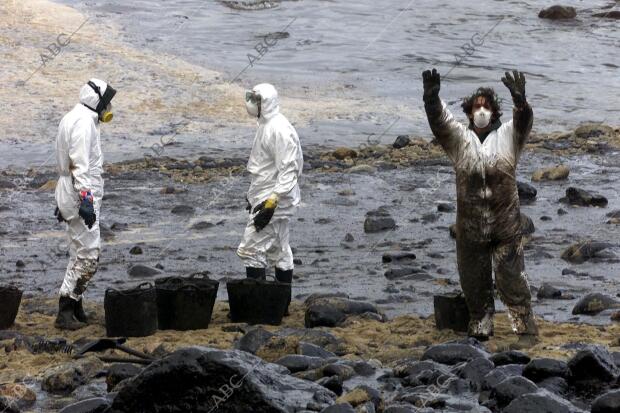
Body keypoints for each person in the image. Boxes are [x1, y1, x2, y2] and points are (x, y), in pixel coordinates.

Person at [422, 68, 539, 348]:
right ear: (470, 112)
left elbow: (524, 122)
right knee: (474, 285)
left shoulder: (510, 136)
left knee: (513, 282)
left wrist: (521, 102)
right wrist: (431, 99)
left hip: (506, 227)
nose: (482, 110)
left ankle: (525, 331)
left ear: (495, 112)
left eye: (487, 106)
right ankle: (481, 330)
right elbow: (440, 122)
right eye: (477, 106)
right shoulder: (459, 140)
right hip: (471, 229)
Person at [54, 79, 116, 330]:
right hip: (80, 194)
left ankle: (75, 305)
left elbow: (66, 163)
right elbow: (78, 166)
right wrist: (86, 201)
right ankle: (65, 310)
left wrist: (66, 199)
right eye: (106, 101)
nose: (109, 106)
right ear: (97, 100)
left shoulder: (74, 117)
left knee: (78, 252)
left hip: (70, 192)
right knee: (90, 256)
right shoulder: (83, 124)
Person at [236, 83, 303, 314]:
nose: (251, 104)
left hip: (275, 200)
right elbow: (263, 168)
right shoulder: (266, 124)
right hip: (267, 196)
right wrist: (252, 197)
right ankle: (281, 306)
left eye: (256, 100)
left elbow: (289, 170)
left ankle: (258, 308)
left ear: (266, 102)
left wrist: (271, 202)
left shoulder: (279, 129)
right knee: (279, 249)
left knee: (251, 249)